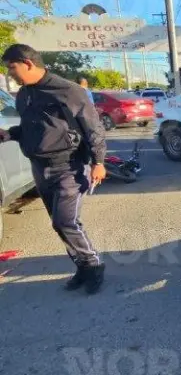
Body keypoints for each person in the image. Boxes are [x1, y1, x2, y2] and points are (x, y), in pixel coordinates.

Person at [0, 44, 108, 294]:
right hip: (39, 166)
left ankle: (93, 265)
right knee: (58, 223)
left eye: (12, 68)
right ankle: (82, 267)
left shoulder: (68, 91)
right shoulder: (24, 94)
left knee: (65, 221)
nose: (10, 74)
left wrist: (99, 162)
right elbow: (33, 128)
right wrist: (10, 134)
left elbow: (93, 129)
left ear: (27, 63)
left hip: (68, 165)